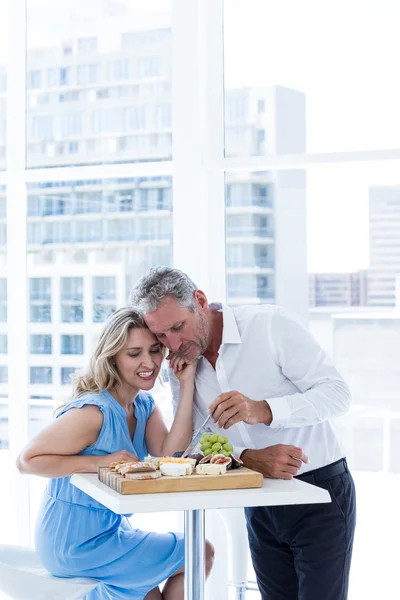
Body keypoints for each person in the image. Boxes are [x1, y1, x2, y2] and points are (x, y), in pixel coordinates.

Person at [129, 266, 356, 600]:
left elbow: (338, 394)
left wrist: (264, 410)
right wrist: (246, 459)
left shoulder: (268, 327)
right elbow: (190, 448)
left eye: (178, 327)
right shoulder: (182, 367)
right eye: (162, 337)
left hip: (318, 492)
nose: (173, 344)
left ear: (200, 301)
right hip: (257, 499)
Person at [16, 306, 214, 600]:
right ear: (113, 358)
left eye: (155, 350)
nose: (149, 362)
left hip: (111, 532)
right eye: (134, 353)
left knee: (157, 590)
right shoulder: (93, 412)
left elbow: (171, 455)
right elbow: (26, 461)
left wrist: (186, 386)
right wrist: (101, 463)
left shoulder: (143, 406)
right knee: (200, 550)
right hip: (74, 541)